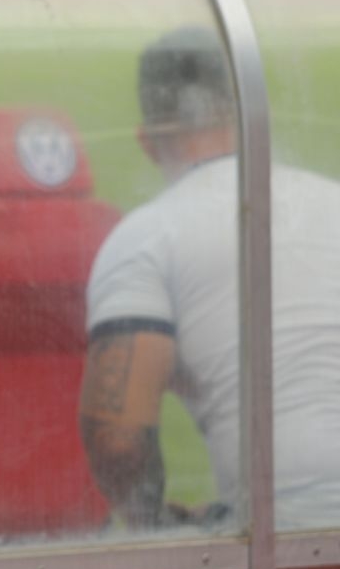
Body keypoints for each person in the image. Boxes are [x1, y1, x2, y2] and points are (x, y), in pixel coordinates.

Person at [81, 26, 340, 531]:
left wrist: (158, 527)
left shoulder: (146, 237)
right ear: (248, 117)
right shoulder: (334, 201)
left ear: (146, 142)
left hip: (287, 532)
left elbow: (117, 438)